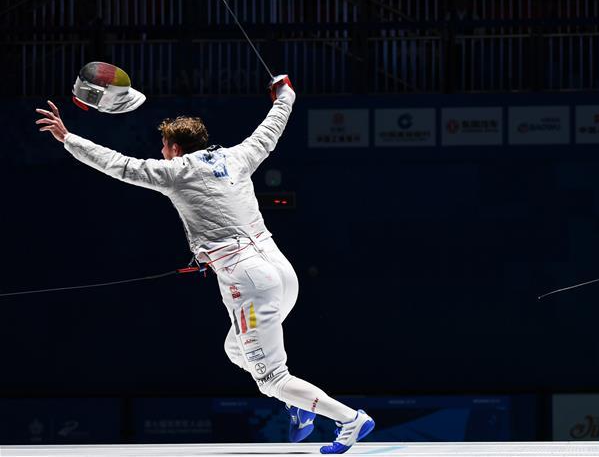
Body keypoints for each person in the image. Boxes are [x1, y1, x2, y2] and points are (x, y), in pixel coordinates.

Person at [35, 75, 374, 454]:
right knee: (236, 349)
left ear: (175, 148)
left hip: (249, 281)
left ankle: (349, 419)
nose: (161, 153)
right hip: (282, 271)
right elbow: (273, 125)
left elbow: (119, 165)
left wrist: (68, 138)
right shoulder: (237, 157)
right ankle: (299, 404)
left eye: (163, 147)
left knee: (271, 378)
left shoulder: (175, 172)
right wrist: (286, 93)